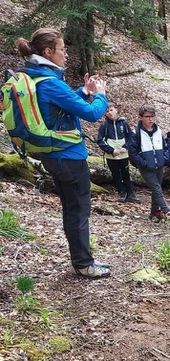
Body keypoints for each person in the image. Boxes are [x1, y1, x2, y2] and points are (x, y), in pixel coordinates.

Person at [15, 28, 109, 278]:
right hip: (68, 156)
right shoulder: (51, 82)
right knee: (78, 209)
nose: (66, 54)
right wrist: (100, 96)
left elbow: (58, 109)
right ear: (48, 52)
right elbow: (90, 113)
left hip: (53, 155)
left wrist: (84, 92)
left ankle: (80, 260)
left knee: (71, 207)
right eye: (62, 49)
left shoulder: (36, 76)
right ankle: (84, 264)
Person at [128, 105, 170, 222]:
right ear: (140, 117)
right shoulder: (135, 133)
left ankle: (154, 212)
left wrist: (164, 159)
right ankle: (166, 210)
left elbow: (165, 147)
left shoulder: (158, 130)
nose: (150, 119)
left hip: (159, 165)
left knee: (156, 190)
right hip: (146, 167)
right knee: (156, 188)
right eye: (147, 117)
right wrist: (142, 163)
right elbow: (132, 153)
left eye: (152, 116)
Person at [97, 103, 135, 203]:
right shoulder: (104, 125)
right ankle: (121, 193)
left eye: (111, 110)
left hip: (124, 154)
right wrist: (111, 150)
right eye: (107, 111)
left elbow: (130, 137)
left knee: (126, 173)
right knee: (116, 174)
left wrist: (125, 147)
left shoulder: (124, 123)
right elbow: (100, 140)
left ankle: (131, 194)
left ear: (116, 110)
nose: (109, 113)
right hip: (111, 155)